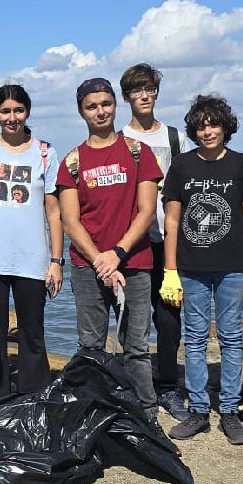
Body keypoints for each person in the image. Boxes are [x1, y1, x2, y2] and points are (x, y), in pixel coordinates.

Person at [158, 95, 243, 445]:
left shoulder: (240, 164)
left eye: (214, 124)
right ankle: (200, 411)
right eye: (201, 126)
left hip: (233, 267)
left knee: (232, 338)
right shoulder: (183, 166)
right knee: (195, 339)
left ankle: (230, 411)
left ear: (225, 127)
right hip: (191, 267)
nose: (207, 131)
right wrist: (169, 270)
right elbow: (172, 221)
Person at [56, 78, 162, 404]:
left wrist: (117, 253)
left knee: (137, 348)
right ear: (81, 112)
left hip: (134, 263)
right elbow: (70, 221)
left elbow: (146, 212)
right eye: (92, 106)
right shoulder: (72, 162)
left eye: (106, 104)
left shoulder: (137, 152)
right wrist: (101, 260)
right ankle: (92, 411)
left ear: (115, 105)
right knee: (90, 346)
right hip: (89, 268)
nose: (100, 112)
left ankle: (146, 413)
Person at [0, 85, 63, 403]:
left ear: (27, 112)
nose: (12, 117)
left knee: (33, 333)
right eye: (5, 111)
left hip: (33, 259)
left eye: (18, 110)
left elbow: (53, 210)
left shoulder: (45, 152)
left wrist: (57, 260)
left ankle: (34, 400)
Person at [119, 62, 190, 420]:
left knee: (168, 317)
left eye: (150, 90)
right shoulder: (121, 140)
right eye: (137, 90)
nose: (144, 96)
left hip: (169, 242)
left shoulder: (175, 138)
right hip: (132, 243)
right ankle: (134, 385)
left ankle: (167, 386)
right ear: (127, 97)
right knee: (132, 319)